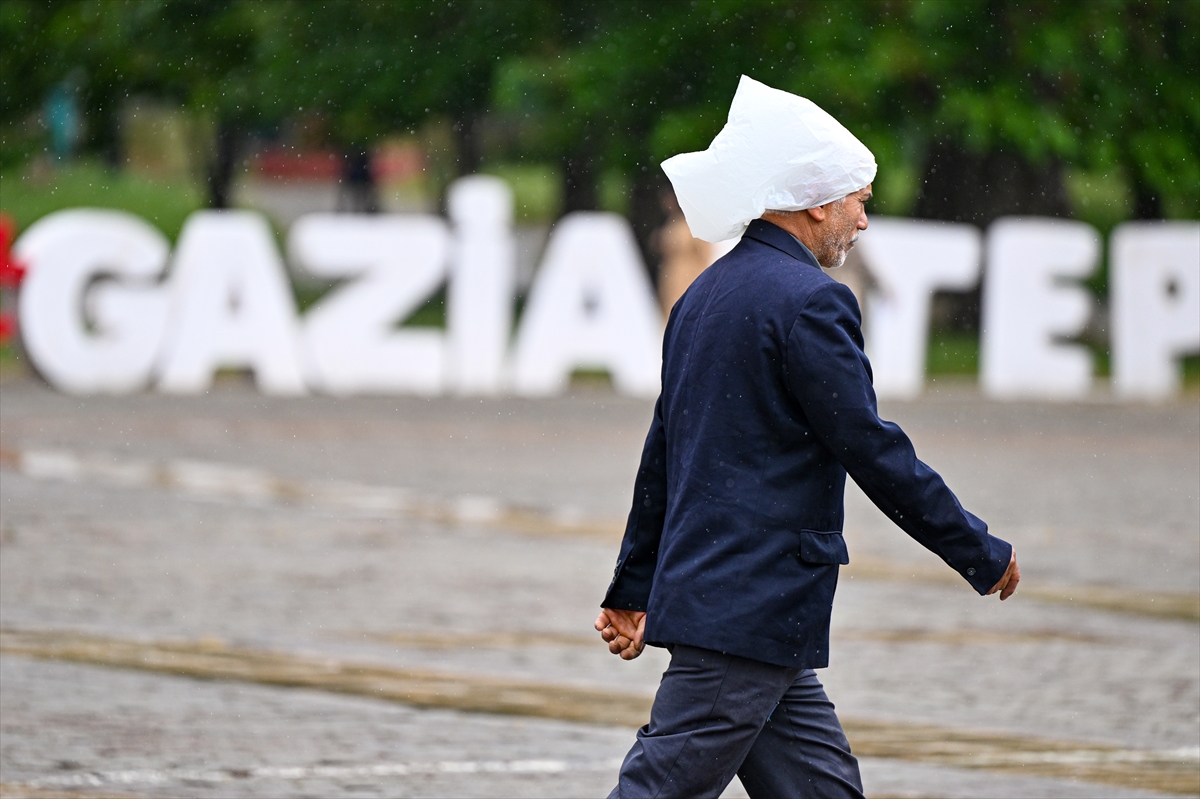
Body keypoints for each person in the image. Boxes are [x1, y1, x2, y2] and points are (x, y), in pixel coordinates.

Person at [594, 76, 1020, 799]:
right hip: (749, 609)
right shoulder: (813, 302)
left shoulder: (705, 295)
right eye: (858, 201)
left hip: (747, 614)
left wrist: (635, 583)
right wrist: (976, 548)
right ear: (819, 203)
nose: (862, 220)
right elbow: (871, 448)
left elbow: (662, 452)